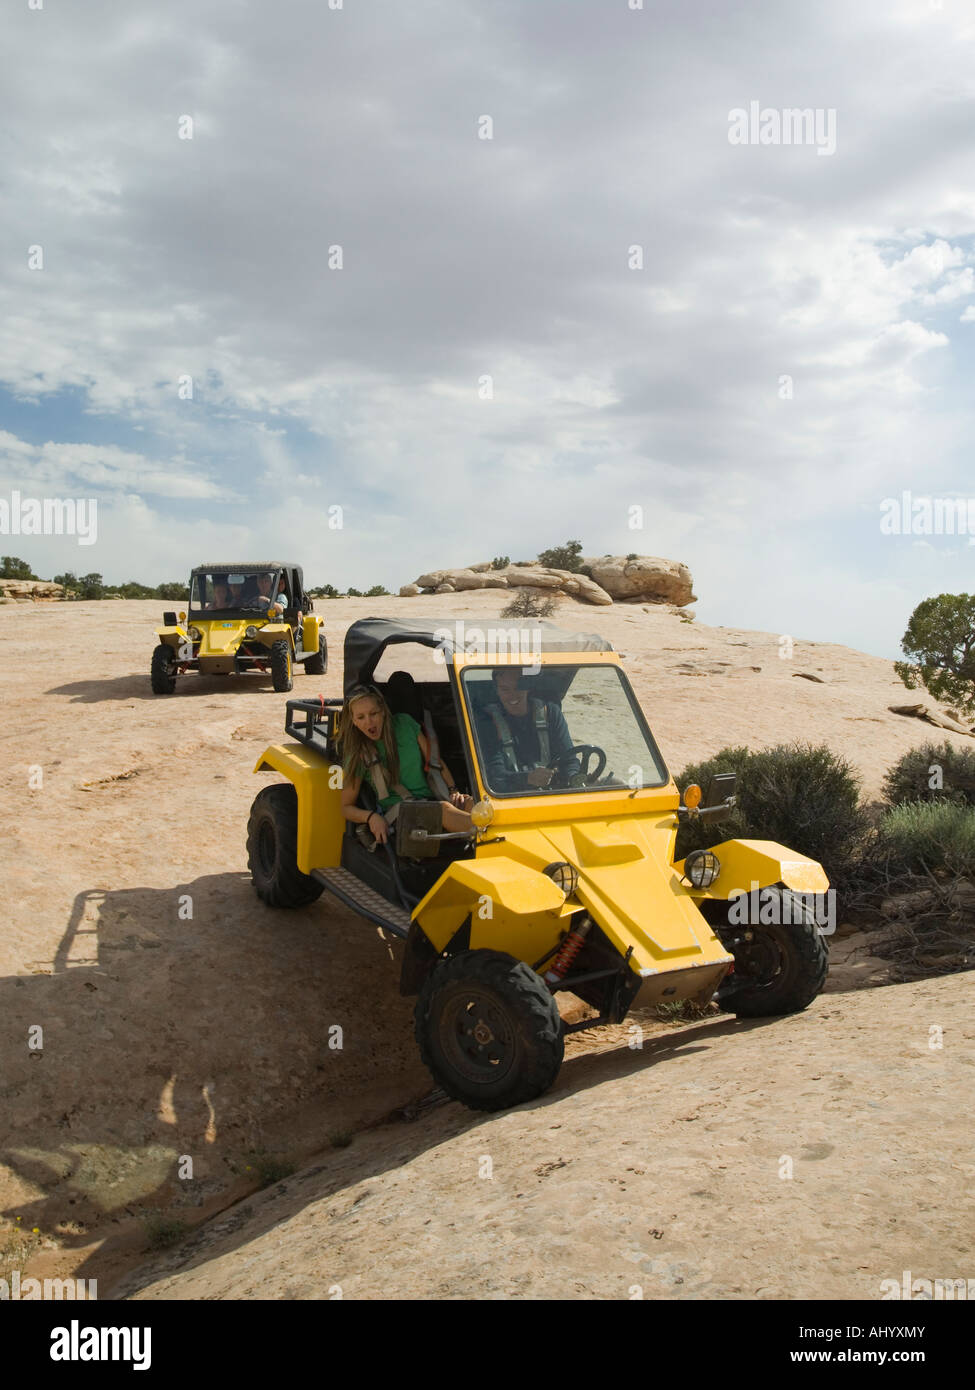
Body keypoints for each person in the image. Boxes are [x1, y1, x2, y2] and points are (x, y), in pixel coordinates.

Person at [337, 684, 473, 847]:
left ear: (383, 711)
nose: (369, 722)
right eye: (361, 717)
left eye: (373, 714)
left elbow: (435, 761)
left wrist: (453, 790)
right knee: (443, 810)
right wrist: (371, 817)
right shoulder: (359, 754)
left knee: (474, 804)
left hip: (432, 798)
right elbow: (345, 807)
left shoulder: (405, 724)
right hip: (400, 814)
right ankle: (489, 834)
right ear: (353, 721)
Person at [476, 666, 582, 792]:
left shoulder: (550, 712)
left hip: (553, 793)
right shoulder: (488, 722)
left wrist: (573, 776)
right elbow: (495, 778)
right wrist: (527, 779)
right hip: (512, 799)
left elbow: (570, 759)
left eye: (518, 687)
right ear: (497, 691)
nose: (512, 695)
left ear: (527, 687)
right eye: (505, 689)